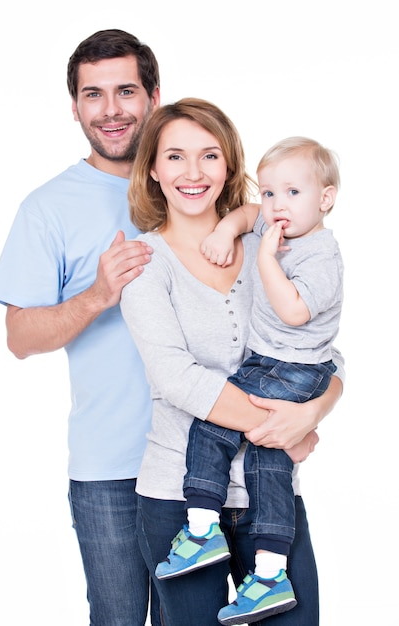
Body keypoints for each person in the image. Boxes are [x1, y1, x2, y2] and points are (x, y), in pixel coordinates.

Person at [120, 98, 345, 626]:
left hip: (271, 496)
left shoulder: (274, 245)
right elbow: (178, 379)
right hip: (178, 498)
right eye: (175, 157)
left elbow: (324, 351)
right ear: (153, 168)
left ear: (229, 166)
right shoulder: (146, 266)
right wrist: (284, 430)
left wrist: (313, 414)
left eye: (210, 156)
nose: (193, 173)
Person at [0, 29, 162, 626]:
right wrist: (96, 296)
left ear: (154, 97)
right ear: (75, 106)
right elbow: (18, 338)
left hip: (206, 462)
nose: (111, 110)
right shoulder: (48, 207)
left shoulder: (194, 186)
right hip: (109, 468)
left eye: (125, 91)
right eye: (94, 94)